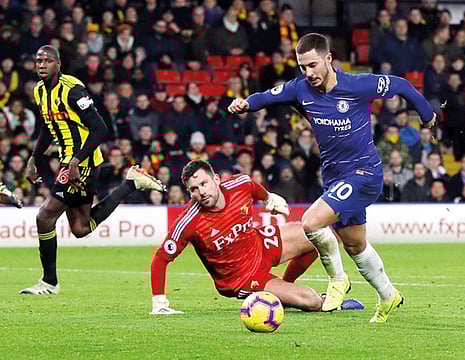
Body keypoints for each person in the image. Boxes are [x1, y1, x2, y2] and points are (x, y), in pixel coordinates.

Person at [228, 33, 436, 323]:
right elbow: (267, 97)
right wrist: (245, 104)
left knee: (311, 223)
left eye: (313, 65)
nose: (308, 73)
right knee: (355, 245)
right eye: (303, 67)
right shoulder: (300, 89)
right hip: (335, 178)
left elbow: (401, 85)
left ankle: (338, 281)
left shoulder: (357, 84)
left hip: (365, 173)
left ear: (328, 59)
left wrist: (427, 115)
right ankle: (389, 295)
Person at [20, 45, 167, 296]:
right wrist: (33, 158)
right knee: (80, 228)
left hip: (82, 161)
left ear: (58, 64)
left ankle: (49, 282)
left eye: (47, 60)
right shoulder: (39, 92)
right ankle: (130, 184)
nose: (42, 64)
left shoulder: (73, 90)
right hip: (70, 159)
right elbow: (47, 127)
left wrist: (76, 160)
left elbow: (100, 128)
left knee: (44, 217)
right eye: (38, 61)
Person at [150, 160, 364, 314]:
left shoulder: (239, 185)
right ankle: (324, 301)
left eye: (204, 184)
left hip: (260, 245)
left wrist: (270, 198)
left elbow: (252, 186)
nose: (201, 192)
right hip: (241, 278)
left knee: (318, 234)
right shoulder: (189, 222)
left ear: (216, 180)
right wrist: (159, 302)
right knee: (310, 301)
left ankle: (285, 287)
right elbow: (161, 258)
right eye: (193, 190)